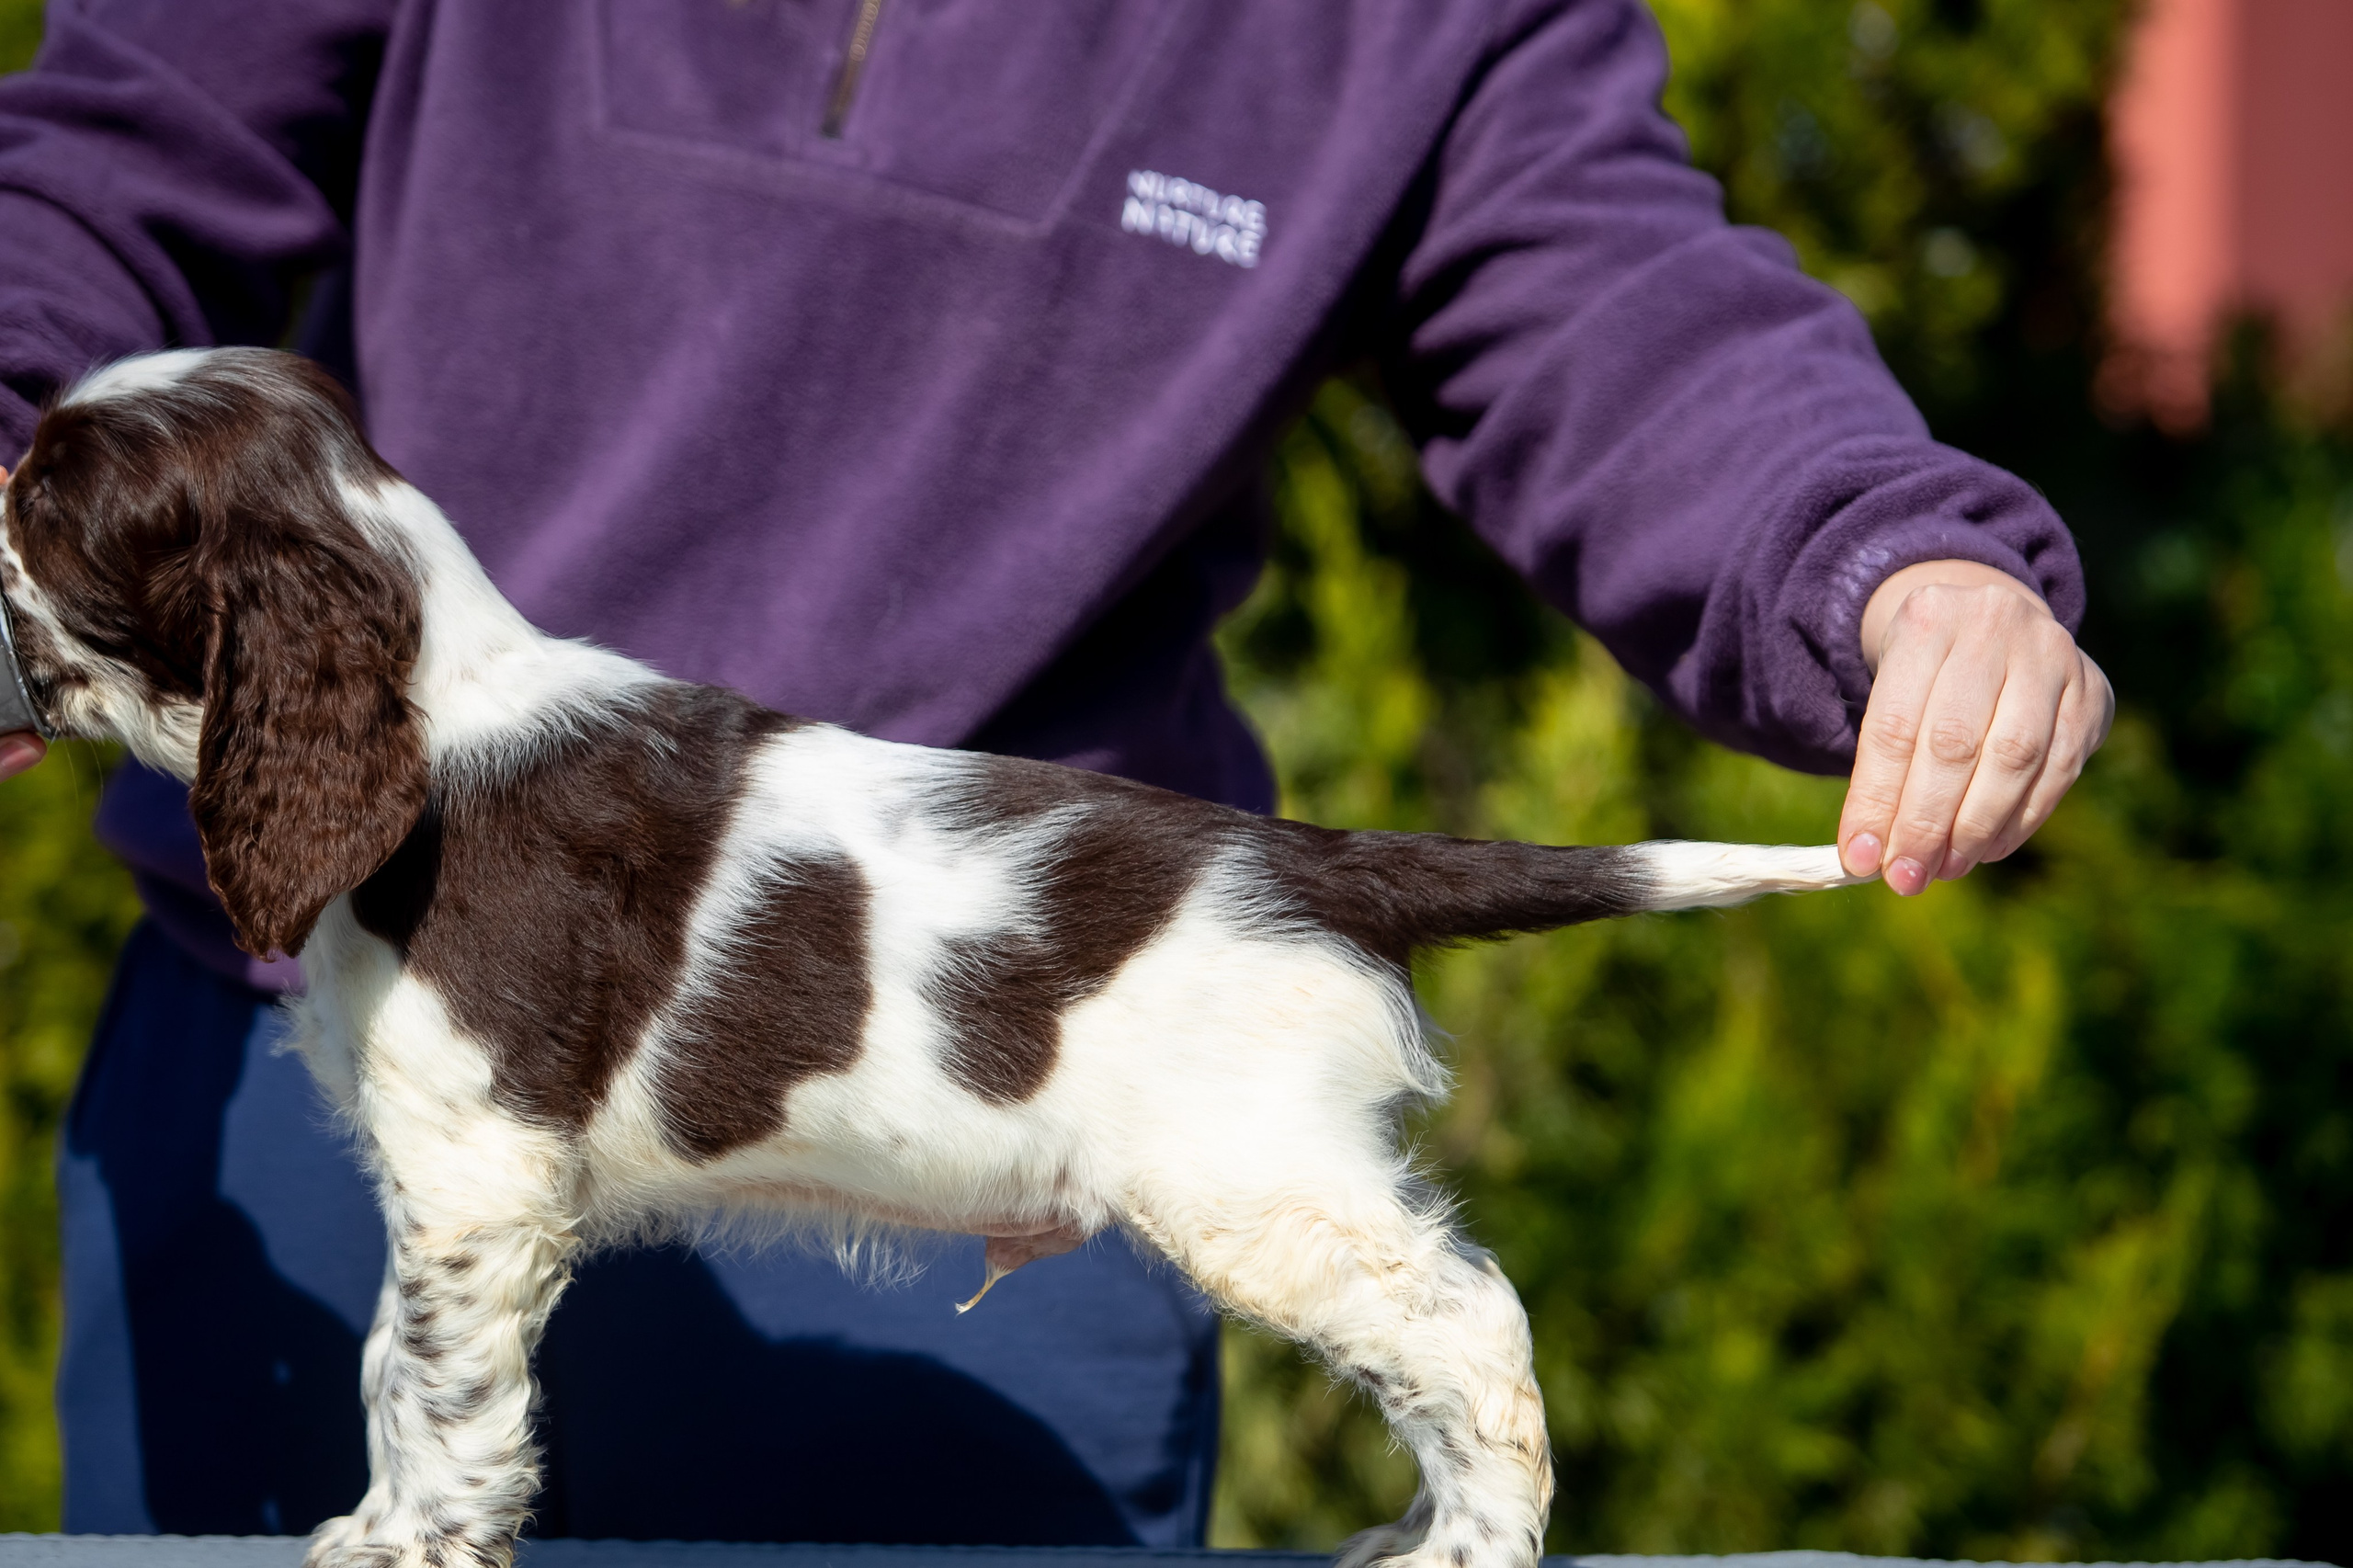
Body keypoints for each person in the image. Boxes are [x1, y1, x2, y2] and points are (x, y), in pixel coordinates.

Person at [0, 0, 2111, 1546]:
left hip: (1018, 1076)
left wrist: (1884, 555)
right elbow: (111, 151)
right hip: (310, 1030)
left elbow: (1616, 303)